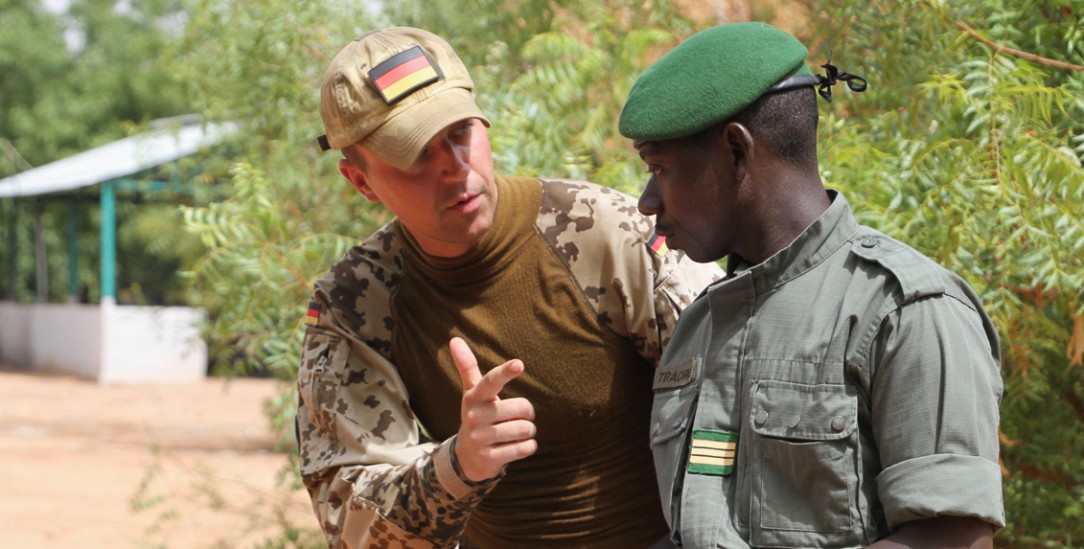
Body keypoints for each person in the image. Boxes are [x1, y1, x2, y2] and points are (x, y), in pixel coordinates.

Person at [296, 27, 722, 548]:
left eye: (459, 133)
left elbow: (739, 392)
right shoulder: (356, 303)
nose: (454, 169)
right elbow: (353, 522)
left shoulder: (600, 231)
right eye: (415, 155)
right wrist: (458, 467)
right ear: (359, 181)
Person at [618, 22, 1005, 548]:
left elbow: (952, 537)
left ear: (736, 151)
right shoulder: (700, 324)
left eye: (659, 168)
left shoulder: (904, 309)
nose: (646, 201)